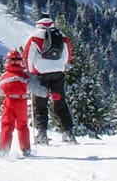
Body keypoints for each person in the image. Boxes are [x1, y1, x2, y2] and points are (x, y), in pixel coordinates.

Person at [23, 14, 75, 144]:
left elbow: (28, 55)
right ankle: (68, 133)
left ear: (38, 23)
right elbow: (68, 54)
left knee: (40, 104)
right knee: (60, 103)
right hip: (58, 73)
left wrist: (30, 72)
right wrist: (62, 66)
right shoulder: (61, 35)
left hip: (40, 73)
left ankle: (42, 135)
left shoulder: (35, 35)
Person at [0, 49, 32, 157]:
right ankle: (26, 149)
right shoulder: (25, 76)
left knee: (7, 125)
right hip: (21, 102)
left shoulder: (4, 77)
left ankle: (3, 149)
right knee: (22, 126)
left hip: (9, 101)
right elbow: (33, 87)